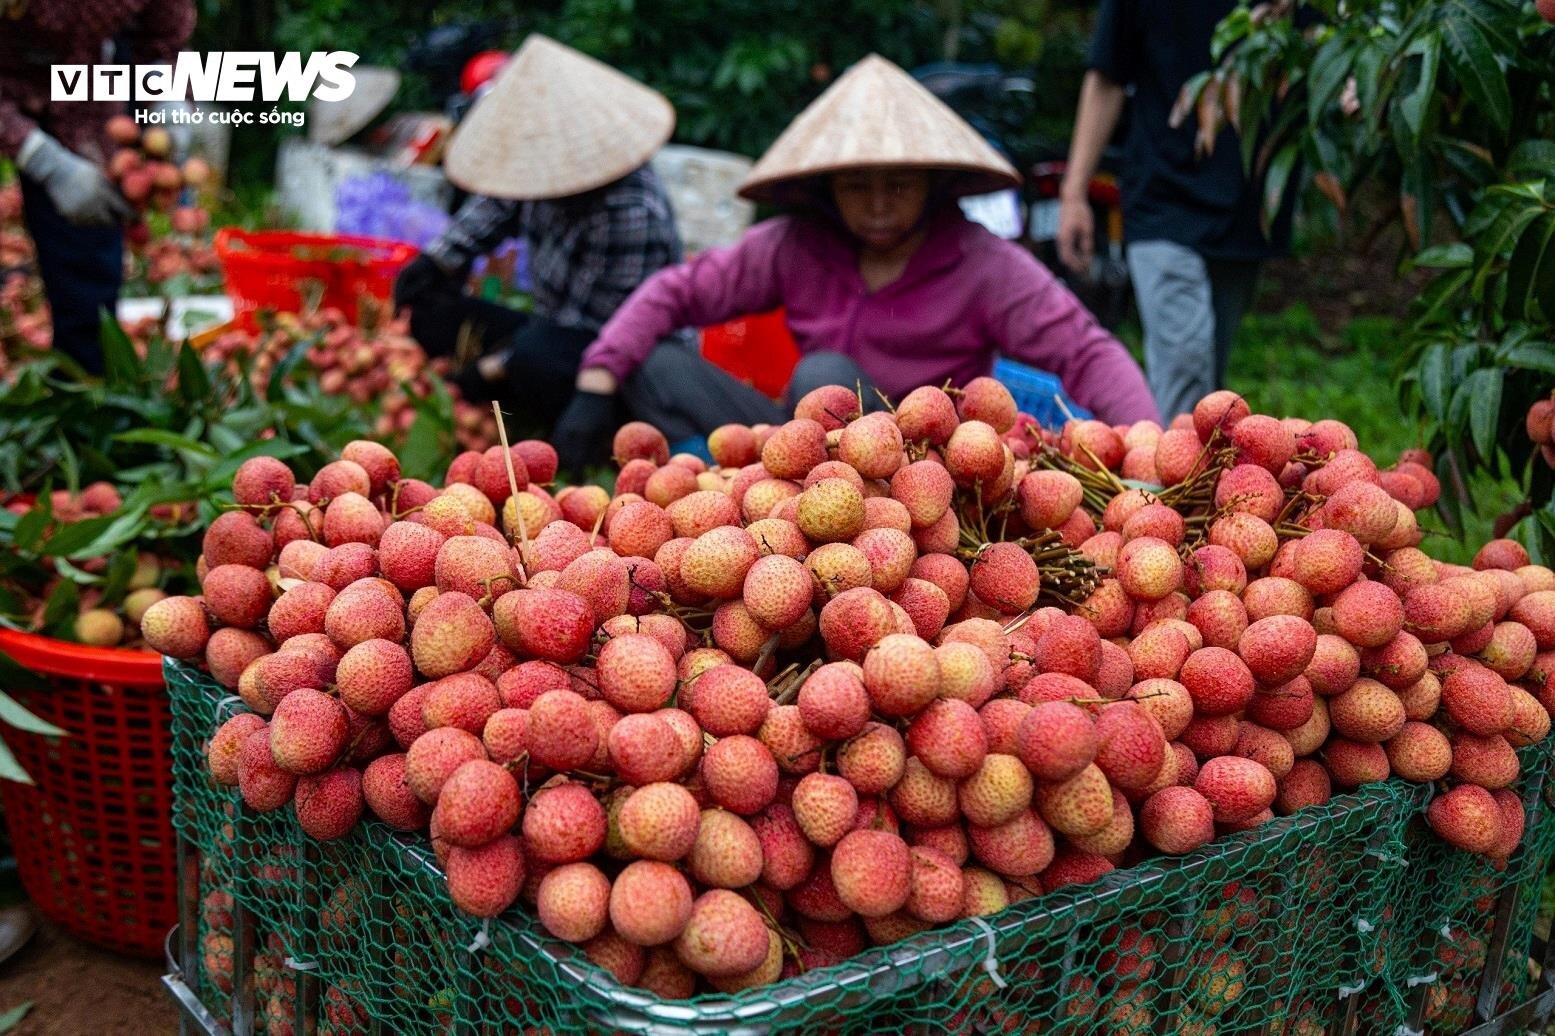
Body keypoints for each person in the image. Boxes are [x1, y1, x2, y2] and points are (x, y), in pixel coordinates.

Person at [553, 55, 1158, 474]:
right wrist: (595, 381)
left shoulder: (982, 264)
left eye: (896, 186)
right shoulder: (796, 244)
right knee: (656, 364)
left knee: (824, 378)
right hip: (799, 456)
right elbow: (676, 293)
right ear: (828, 187)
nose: (875, 205)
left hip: (922, 473)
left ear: (933, 184)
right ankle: (777, 502)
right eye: (856, 187)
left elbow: (1084, 350)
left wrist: (1150, 447)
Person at [392, 34, 688, 436]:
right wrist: (434, 263)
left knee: (537, 356)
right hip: (554, 325)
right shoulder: (538, 170)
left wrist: (489, 370)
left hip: (620, 357)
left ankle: (579, 431)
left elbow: (595, 335)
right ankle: (508, 395)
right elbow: (494, 210)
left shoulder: (628, 212)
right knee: (434, 310)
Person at [1057, 0, 1283, 422]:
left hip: (1244, 212)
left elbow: (1322, 52)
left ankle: (1199, 481)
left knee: (1209, 389)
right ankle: (1161, 486)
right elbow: (1107, 76)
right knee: (1185, 371)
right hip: (1163, 198)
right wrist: (1074, 194)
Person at [1, 0, 196, 373]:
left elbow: (166, 34)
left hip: (111, 57)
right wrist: (43, 159)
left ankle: (96, 372)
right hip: (29, 78)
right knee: (79, 265)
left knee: (105, 231)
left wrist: (168, 93)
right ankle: (80, 387)